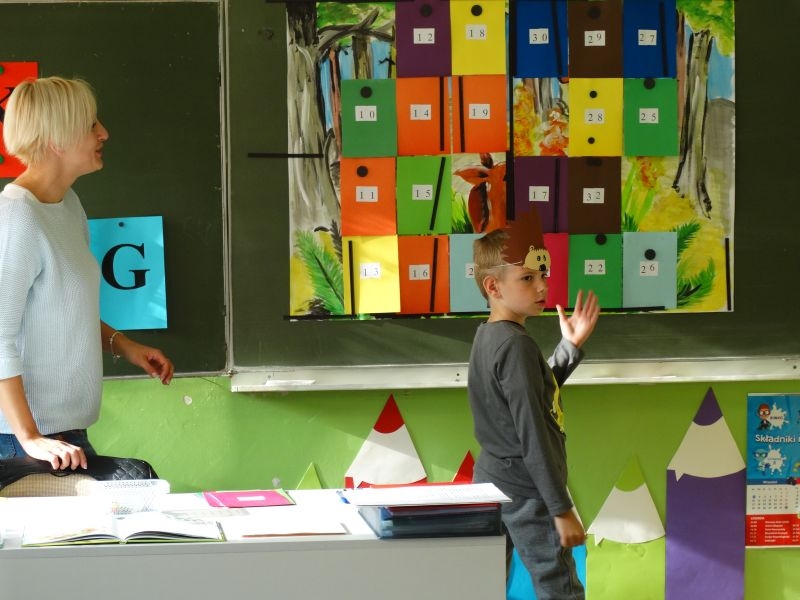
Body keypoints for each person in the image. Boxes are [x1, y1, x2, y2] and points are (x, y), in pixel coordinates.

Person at [0, 76, 174, 472]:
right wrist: (29, 437)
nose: (103, 133)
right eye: (90, 124)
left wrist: (123, 345)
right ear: (57, 139)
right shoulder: (15, 217)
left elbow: (63, 310)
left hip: (63, 437)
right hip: (19, 445)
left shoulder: (67, 206)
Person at [468, 217, 600, 600]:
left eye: (543, 274)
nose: (542, 286)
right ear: (493, 286)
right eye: (527, 278)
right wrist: (560, 508)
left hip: (494, 480)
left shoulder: (489, 335)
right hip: (527, 491)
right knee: (560, 589)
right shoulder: (516, 345)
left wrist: (568, 348)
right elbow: (533, 431)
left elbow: (530, 399)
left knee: (486, 583)